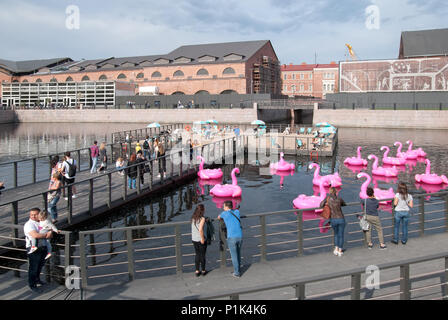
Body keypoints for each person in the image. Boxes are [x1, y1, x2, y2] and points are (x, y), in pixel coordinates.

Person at [24, 208, 52, 293]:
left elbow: (50, 233)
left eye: (35, 214)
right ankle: (32, 285)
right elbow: (35, 235)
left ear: (39, 214)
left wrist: (48, 234)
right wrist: (46, 235)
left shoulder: (43, 222)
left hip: (43, 247)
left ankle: (37, 280)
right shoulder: (29, 224)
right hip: (33, 249)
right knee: (33, 268)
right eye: (31, 214)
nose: (33, 216)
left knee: (40, 266)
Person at [218, 201, 243, 277]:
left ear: (226, 207)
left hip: (231, 237)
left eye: (223, 206)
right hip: (240, 236)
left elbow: (219, 217)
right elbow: (236, 210)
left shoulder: (224, 214)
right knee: (238, 254)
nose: (223, 208)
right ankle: (238, 269)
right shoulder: (237, 212)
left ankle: (237, 273)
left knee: (234, 256)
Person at [320, 187, 346, 257]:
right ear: (336, 192)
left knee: (336, 234)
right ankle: (340, 251)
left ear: (330, 192)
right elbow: (344, 204)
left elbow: (321, 205)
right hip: (341, 219)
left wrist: (326, 204)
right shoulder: (339, 198)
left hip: (333, 219)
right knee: (341, 235)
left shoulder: (328, 198)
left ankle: (336, 249)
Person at [191, 204, 208, 277]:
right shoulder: (202, 219)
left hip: (194, 239)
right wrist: (202, 239)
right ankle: (203, 270)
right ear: (202, 210)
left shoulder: (193, 217)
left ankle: (197, 270)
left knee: (197, 254)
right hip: (200, 239)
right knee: (202, 255)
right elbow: (200, 229)